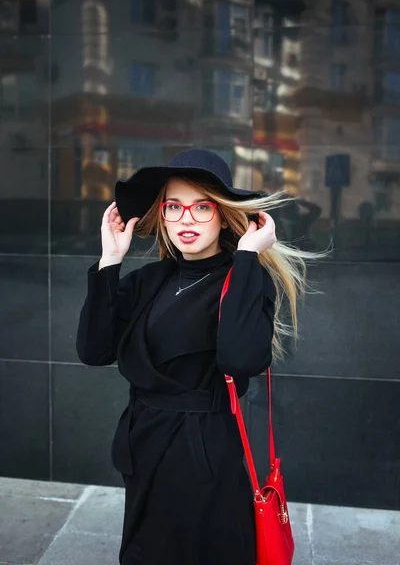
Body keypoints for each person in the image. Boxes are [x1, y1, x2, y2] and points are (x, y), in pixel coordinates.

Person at [76, 149, 323, 565]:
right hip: (144, 444)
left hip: (204, 453)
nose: (185, 219)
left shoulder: (245, 279)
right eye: (174, 206)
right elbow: (93, 351)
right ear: (162, 215)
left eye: (201, 207)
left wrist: (246, 257)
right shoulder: (148, 280)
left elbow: (241, 360)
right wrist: (110, 262)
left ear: (224, 215)